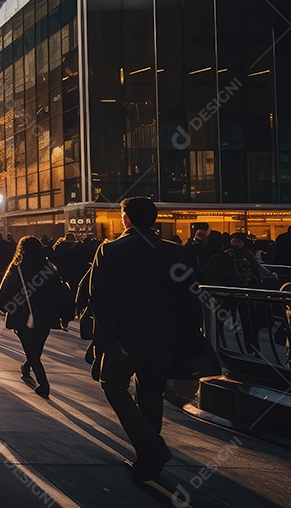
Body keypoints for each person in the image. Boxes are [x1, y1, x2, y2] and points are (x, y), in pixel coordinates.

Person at [89, 196, 215, 482]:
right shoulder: (178, 253)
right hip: (165, 336)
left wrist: (108, 337)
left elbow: (101, 298)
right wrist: (189, 332)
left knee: (113, 385)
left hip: (127, 335)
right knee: (151, 391)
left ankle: (150, 446)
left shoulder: (111, 250)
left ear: (126, 219)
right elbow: (192, 297)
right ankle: (149, 456)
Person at [0, 236, 74, 398]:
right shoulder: (49, 269)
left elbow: (2, 295)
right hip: (45, 316)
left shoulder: (17, 268)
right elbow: (61, 294)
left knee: (31, 349)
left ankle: (43, 383)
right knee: (36, 348)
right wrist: (64, 316)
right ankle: (28, 366)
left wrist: (7, 309)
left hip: (22, 316)